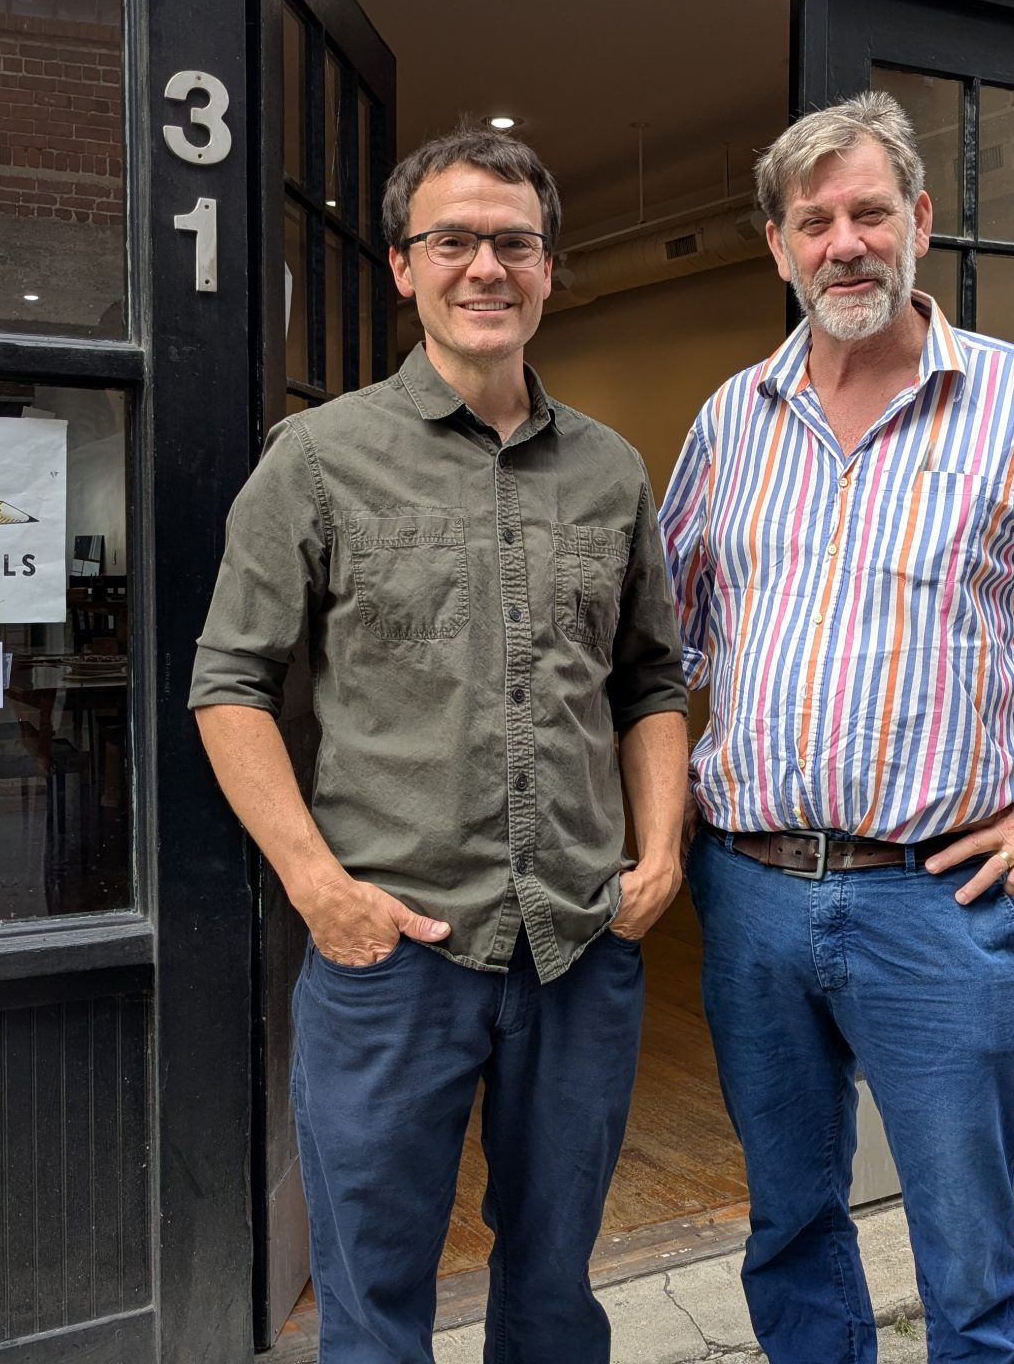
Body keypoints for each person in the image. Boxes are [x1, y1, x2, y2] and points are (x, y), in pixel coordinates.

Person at [658, 92, 1014, 1364]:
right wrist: (662, 803)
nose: (843, 242)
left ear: (918, 221)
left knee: (967, 1257)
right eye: (815, 222)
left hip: (933, 901)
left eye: (868, 212)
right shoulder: (729, 423)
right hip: (747, 896)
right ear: (778, 246)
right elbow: (668, 648)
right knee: (789, 1225)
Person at [189, 127, 688, 1364]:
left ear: (549, 270)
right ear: (403, 267)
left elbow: (652, 680)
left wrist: (661, 855)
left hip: (578, 942)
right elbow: (229, 684)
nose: (485, 267)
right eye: (452, 240)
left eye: (513, 242)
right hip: (392, 950)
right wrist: (316, 888)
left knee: (556, 1284)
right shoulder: (317, 459)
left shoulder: (612, 472)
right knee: (372, 1293)